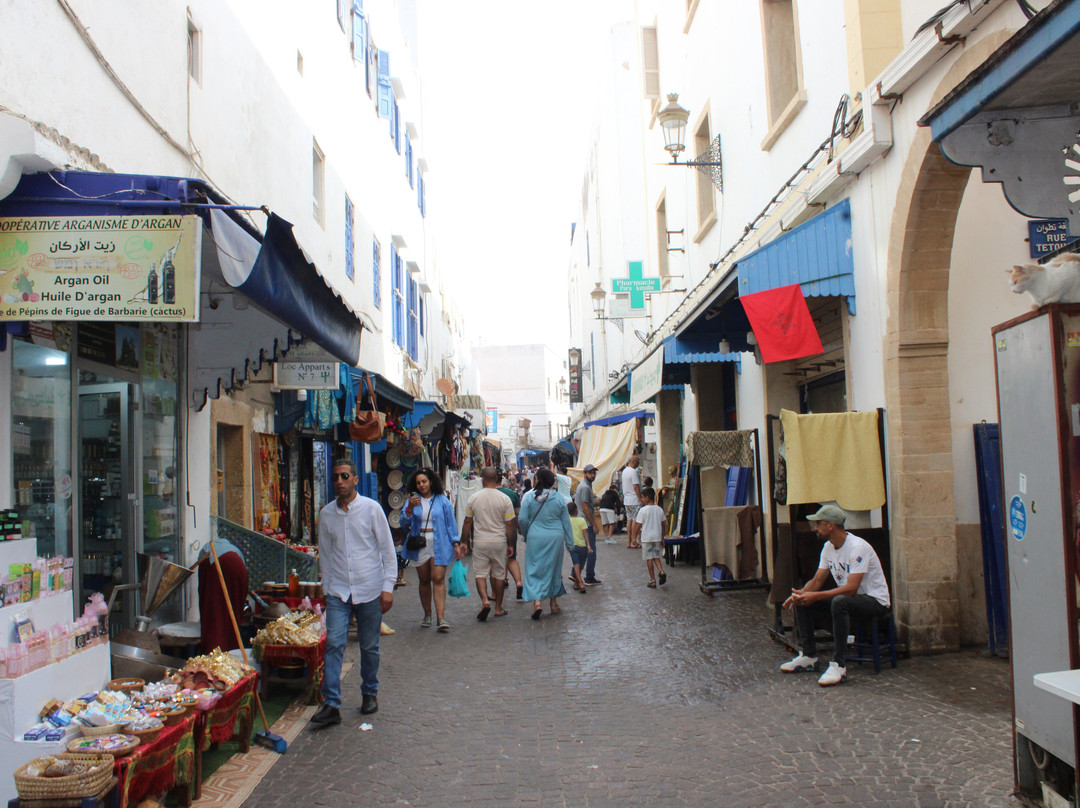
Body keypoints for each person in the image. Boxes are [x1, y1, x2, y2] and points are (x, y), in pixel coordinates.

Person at [311, 460, 396, 727]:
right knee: (334, 644)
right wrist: (326, 590)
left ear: (355, 480)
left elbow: (387, 551)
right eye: (335, 477)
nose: (339, 481)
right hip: (338, 591)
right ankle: (332, 703)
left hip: (370, 588)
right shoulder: (326, 514)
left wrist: (387, 587)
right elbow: (324, 553)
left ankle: (370, 693)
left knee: (369, 646)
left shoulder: (372, 510)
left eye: (345, 476)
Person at [780, 503, 891, 687]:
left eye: (818, 524)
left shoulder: (858, 547)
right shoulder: (828, 548)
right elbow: (816, 581)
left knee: (839, 602)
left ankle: (839, 665)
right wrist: (800, 595)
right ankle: (809, 656)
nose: (815, 528)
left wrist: (816, 596)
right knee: (805, 600)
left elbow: (851, 589)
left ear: (830, 526)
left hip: (874, 601)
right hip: (850, 599)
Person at [401, 467, 463, 633]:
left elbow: (450, 523)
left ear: (431, 482)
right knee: (424, 580)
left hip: (439, 543)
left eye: (424, 481)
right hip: (419, 544)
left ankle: (441, 617)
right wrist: (409, 509)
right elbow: (403, 524)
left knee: (438, 578)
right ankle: (427, 614)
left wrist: (456, 543)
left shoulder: (442, 501)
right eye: (418, 482)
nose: (421, 485)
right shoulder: (412, 501)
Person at [518, 467, 574, 620]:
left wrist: (525, 533)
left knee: (534, 568)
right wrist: (570, 543)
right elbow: (566, 523)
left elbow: (522, 519)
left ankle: (537, 602)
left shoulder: (529, 497)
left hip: (535, 536)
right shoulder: (559, 499)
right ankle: (554, 603)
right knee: (554, 568)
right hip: (555, 537)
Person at [461, 467, 516, 621]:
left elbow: (467, 521)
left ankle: (485, 600)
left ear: (483, 479)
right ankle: (498, 608)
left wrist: (464, 542)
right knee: (499, 574)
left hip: (480, 541)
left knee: (480, 573)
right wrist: (511, 544)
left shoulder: (474, 498)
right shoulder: (505, 499)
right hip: (499, 541)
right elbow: (510, 524)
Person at [195, 536, 248, 654]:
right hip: (237, 568)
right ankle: (232, 649)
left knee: (214, 612)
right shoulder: (234, 550)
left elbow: (204, 593)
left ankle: (214, 650)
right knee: (233, 612)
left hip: (218, 566)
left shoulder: (205, 551)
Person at [496, 470, 525, 601]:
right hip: (510, 529)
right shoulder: (512, 495)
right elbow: (518, 514)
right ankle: (518, 583)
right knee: (511, 558)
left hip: (495, 531)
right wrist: (518, 528)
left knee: (496, 561)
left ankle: (499, 587)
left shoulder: (488, 495)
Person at [574, 464, 602, 584]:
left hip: (582, 521)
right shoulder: (585, 487)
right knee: (591, 551)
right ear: (585, 474)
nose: (593, 475)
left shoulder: (586, 486)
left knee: (584, 550)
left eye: (594, 473)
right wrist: (594, 524)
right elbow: (585, 507)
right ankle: (588, 576)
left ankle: (575, 575)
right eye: (590, 473)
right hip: (585, 522)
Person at [636, 487, 667, 588]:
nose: (642, 499)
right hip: (657, 536)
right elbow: (663, 524)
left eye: (643, 497)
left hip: (647, 538)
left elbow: (638, 525)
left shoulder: (643, 510)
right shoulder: (659, 509)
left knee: (649, 558)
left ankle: (652, 580)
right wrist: (662, 538)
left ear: (647, 498)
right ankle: (661, 571)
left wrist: (634, 536)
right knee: (656, 556)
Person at [621, 455, 643, 549]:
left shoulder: (624, 471)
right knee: (635, 520)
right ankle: (634, 541)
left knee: (629, 520)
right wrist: (640, 498)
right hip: (634, 499)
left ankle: (629, 541)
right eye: (637, 463)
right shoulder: (633, 472)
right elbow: (635, 487)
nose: (638, 465)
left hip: (627, 499)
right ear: (633, 462)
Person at [567, 501, 589, 592]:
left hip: (573, 546)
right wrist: (589, 545)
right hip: (582, 546)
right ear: (576, 510)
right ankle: (580, 583)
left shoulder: (567, 521)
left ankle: (577, 583)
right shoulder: (582, 520)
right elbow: (585, 534)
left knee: (576, 564)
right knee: (580, 565)